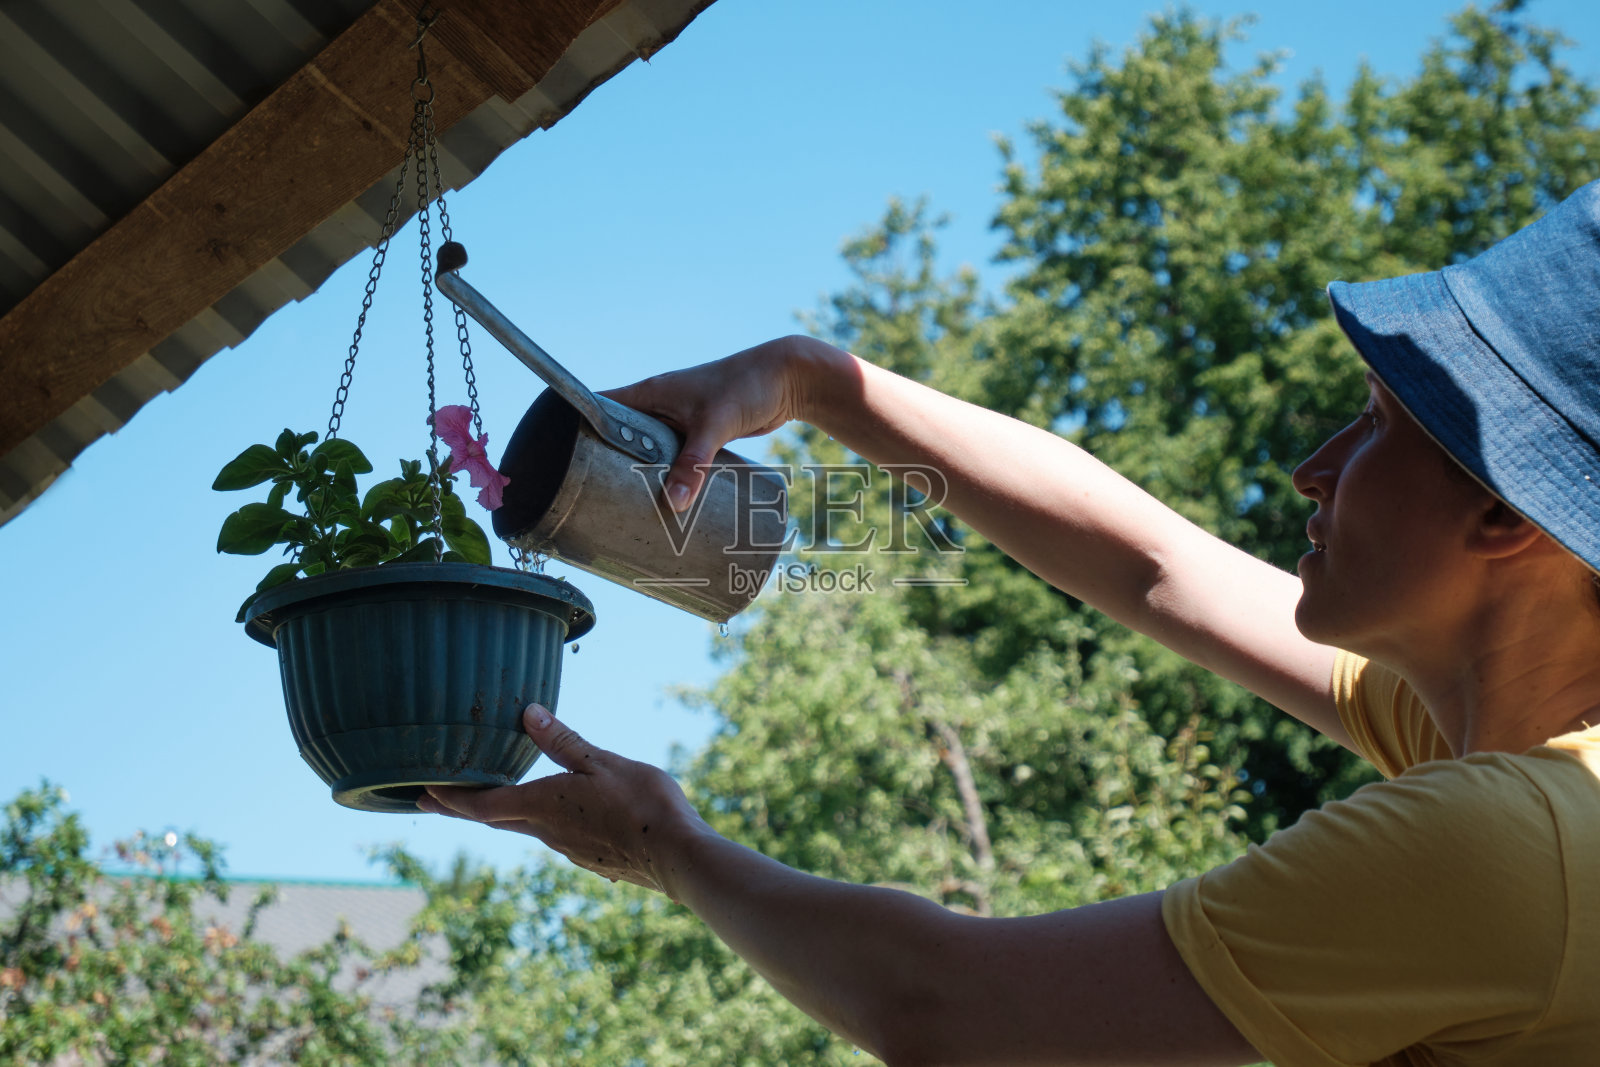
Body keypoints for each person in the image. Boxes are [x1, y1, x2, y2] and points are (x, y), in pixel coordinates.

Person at [418, 181, 1600, 1065]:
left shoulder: (1512, 841)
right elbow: (1147, 563)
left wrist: (664, 847)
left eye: (1380, 424)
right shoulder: (1508, 754)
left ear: (1504, 509)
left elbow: (946, 1007)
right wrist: (814, 381)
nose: (1313, 466)